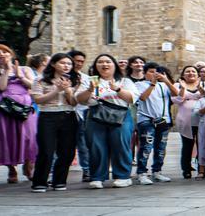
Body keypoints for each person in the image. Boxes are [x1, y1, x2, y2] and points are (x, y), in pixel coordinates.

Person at [0, 44, 38, 183]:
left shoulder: (25, 68)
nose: (1, 54)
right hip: (3, 107)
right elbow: (1, 87)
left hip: (24, 106)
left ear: (11, 54)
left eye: (5, 52)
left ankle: (29, 165)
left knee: (29, 137)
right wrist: (7, 70)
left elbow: (33, 85)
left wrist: (19, 76)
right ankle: (11, 168)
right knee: (7, 138)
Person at [29, 52, 88, 192]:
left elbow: (74, 103)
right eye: (63, 63)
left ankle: (59, 181)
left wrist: (68, 91)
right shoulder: (40, 80)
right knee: (46, 150)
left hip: (68, 115)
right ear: (54, 64)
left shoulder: (75, 80)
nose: (66, 66)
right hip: (48, 116)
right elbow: (38, 100)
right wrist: (57, 90)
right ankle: (40, 182)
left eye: (69, 64)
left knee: (67, 151)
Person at [84, 54, 136, 188]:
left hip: (121, 115)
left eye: (108, 62)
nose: (104, 64)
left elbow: (131, 99)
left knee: (121, 145)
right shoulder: (91, 81)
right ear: (95, 66)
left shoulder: (124, 81)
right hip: (96, 116)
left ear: (114, 65)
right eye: (100, 62)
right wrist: (90, 89)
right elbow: (80, 100)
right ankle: (97, 177)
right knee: (96, 146)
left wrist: (117, 89)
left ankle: (123, 176)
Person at [133, 62, 177, 184]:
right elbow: (142, 98)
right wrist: (152, 84)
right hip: (146, 120)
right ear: (145, 73)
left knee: (161, 148)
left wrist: (166, 81)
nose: (154, 74)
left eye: (156, 72)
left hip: (163, 120)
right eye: (151, 72)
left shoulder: (164, 85)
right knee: (146, 147)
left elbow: (176, 94)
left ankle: (157, 171)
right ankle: (141, 173)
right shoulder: (139, 84)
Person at [173, 65, 204, 179]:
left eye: (193, 71)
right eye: (188, 71)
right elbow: (178, 100)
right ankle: (186, 169)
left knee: (202, 144)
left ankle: (202, 168)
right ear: (183, 75)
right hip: (185, 119)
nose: (191, 73)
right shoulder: (177, 85)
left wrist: (199, 87)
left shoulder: (203, 84)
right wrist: (182, 88)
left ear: (197, 74)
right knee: (187, 145)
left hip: (202, 119)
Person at [66, 49, 90, 183]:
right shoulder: (62, 76)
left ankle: (86, 170)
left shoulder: (85, 77)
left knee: (83, 144)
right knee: (62, 145)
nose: (79, 64)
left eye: (82, 61)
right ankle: (56, 172)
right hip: (64, 113)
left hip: (82, 113)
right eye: (77, 61)